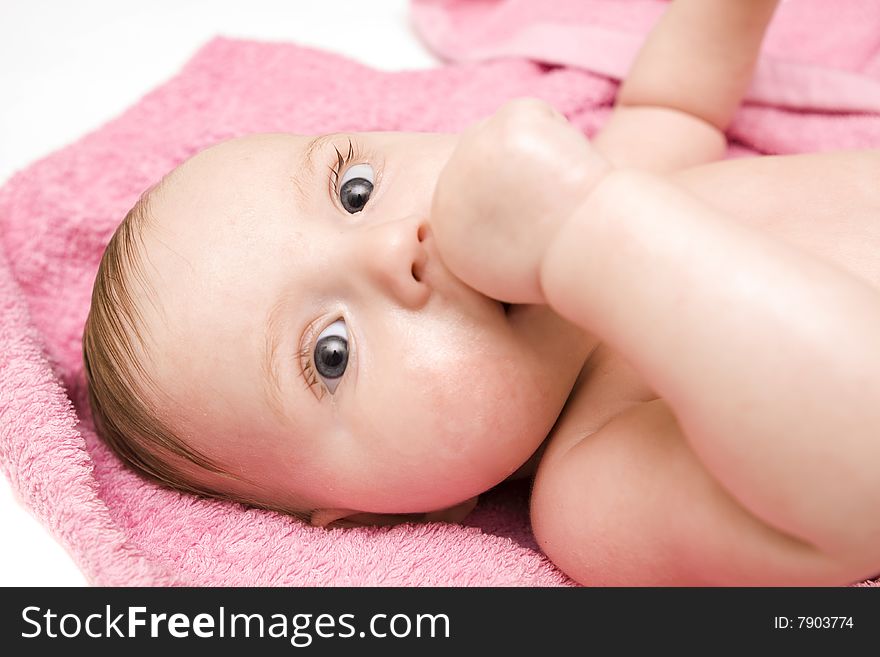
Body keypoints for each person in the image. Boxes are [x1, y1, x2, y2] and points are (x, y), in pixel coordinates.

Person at [83, 0, 880, 585]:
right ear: (392, 516)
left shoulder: (612, 177)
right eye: (332, 352)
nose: (396, 244)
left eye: (355, 191)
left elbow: (673, 103)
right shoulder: (591, 490)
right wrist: (586, 235)